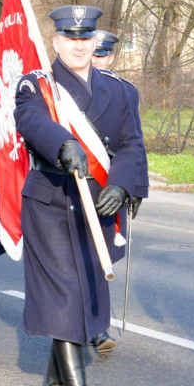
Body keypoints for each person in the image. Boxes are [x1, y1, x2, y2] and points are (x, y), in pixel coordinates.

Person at [14, 5, 145, 386]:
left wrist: (123, 186)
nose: (78, 44)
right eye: (70, 37)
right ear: (56, 41)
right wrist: (63, 144)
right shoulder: (37, 85)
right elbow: (30, 122)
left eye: (85, 37)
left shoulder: (119, 90)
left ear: (94, 41)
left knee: (82, 295)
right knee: (67, 295)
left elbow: (130, 144)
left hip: (99, 205)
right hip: (52, 200)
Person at [83, 29, 150, 354]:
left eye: (103, 54)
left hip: (111, 182)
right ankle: (86, 323)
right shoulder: (64, 91)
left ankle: (97, 324)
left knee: (101, 256)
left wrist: (135, 187)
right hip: (78, 181)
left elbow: (134, 142)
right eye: (94, 53)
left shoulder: (125, 91)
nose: (98, 59)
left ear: (110, 57)